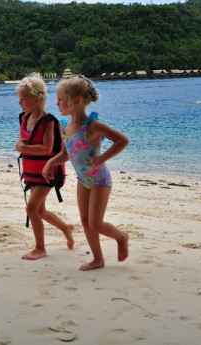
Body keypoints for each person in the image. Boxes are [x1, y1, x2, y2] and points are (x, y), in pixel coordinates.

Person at [42, 75, 129, 271]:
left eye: (61, 99)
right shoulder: (64, 126)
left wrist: (102, 158)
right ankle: (98, 259)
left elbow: (122, 140)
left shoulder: (92, 126)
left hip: (100, 180)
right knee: (84, 221)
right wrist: (51, 162)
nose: (57, 103)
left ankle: (121, 237)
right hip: (83, 181)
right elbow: (66, 154)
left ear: (77, 101)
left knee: (95, 223)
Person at [15, 75, 74, 260]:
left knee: (31, 209)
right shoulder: (24, 118)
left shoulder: (49, 121)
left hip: (47, 172)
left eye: (23, 99)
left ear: (37, 98)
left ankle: (40, 248)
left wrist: (23, 147)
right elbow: (26, 140)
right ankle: (66, 228)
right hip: (32, 172)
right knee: (40, 210)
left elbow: (47, 148)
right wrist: (23, 146)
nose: (20, 103)